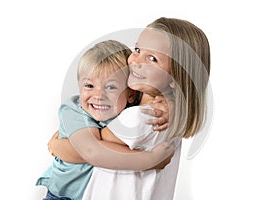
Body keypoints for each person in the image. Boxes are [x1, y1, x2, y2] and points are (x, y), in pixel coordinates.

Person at [50, 17, 211, 200]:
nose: (135, 61)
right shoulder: (170, 114)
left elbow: (90, 150)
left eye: (152, 58)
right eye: (137, 50)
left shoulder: (140, 117)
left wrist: (57, 145)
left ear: (177, 78)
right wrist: (173, 104)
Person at [36, 40, 172, 200]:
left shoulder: (129, 112)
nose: (99, 96)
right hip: (63, 195)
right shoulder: (72, 110)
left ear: (130, 95)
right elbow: (91, 151)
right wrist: (151, 160)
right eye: (89, 86)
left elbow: (150, 94)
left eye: (111, 87)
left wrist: (169, 104)